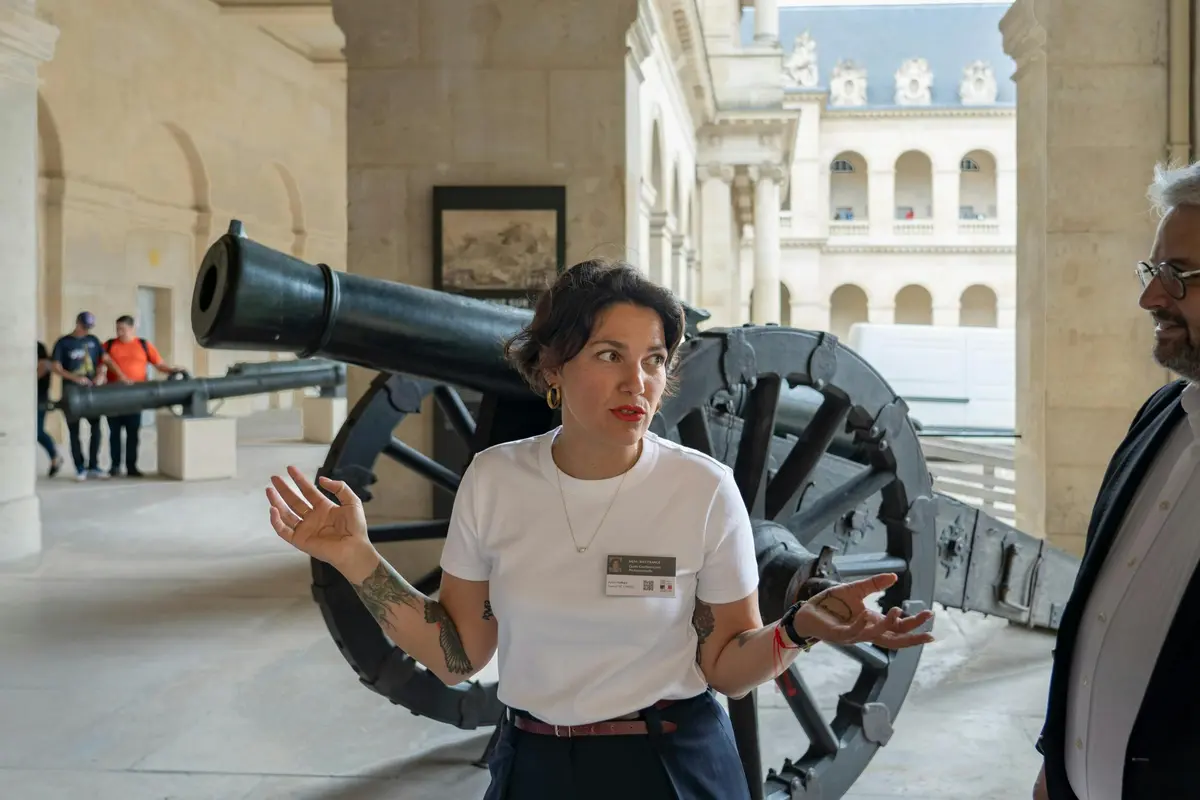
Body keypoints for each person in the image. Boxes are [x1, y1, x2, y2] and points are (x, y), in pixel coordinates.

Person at [264, 260, 936, 800]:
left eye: (654, 360)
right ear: (553, 368)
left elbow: (727, 668)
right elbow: (458, 655)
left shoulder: (703, 489)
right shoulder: (495, 480)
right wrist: (355, 557)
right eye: (610, 355)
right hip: (534, 763)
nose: (636, 382)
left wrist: (798, 630)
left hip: (670, 762)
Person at [1031, 161, 1200, 800]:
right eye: (1151, 271)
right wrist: (1056, 762)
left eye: (1177, 275)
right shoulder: (1161, 415)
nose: (1150, 297)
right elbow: (1097, 617)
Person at [98, 314, 184, 477]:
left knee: (133, 432)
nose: (119, 332)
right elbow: (100, 365)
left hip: (136, 396)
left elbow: (159, 364)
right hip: (114, 396)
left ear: (132, 328)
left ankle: (131, 466)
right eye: (117, 329)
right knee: (114, 433)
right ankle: (115, 466)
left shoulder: (143, 345)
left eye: (122, 329)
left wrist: (171, 370)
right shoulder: (109, 345)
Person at [51, 311, 127, 481]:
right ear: (77, 323)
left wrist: (102, 373)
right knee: (74, 432)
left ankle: (93, 465)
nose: (86, 330)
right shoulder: (64, 343)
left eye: (89, 328)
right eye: (84, 327)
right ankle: (80, 467)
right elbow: (56, 367)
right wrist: (74, 377)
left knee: (96, 429)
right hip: (72, 392)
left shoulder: (93, 341)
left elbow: (104, 360)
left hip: (91, 391)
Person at [36, 341, 63, 477]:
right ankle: (54, 457)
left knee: (37, 431)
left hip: (39, 400)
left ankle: (54, 456)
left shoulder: (44, 364)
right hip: (33, 400)